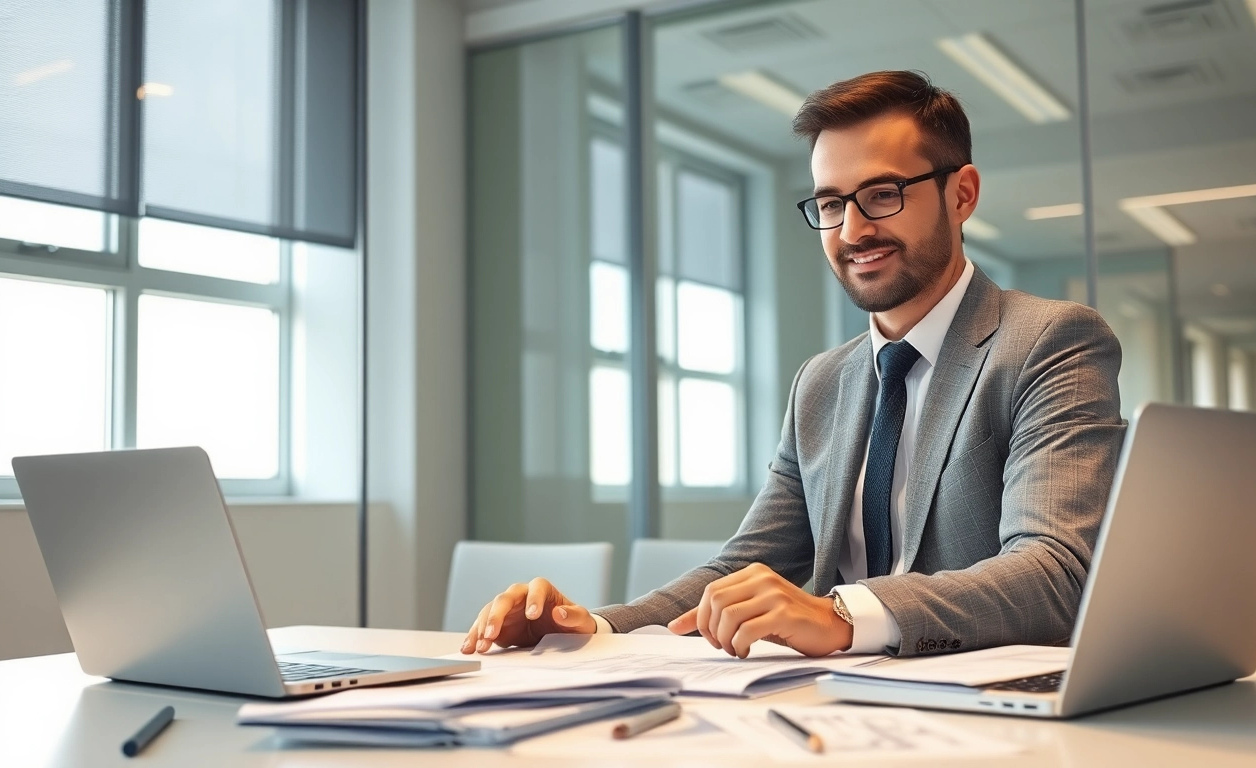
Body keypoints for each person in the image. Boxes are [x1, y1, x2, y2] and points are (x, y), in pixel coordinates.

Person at [460, 70, 1124, 659]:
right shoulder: (822, 383)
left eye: (883, 193)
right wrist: (592, 630)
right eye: (831, 203)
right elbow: (743, 565)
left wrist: (841, 614)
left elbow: (1054, 571)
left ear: (962, 193)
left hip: (987, 707)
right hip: (834, 707)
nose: (853, 230)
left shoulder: (1048, 342)